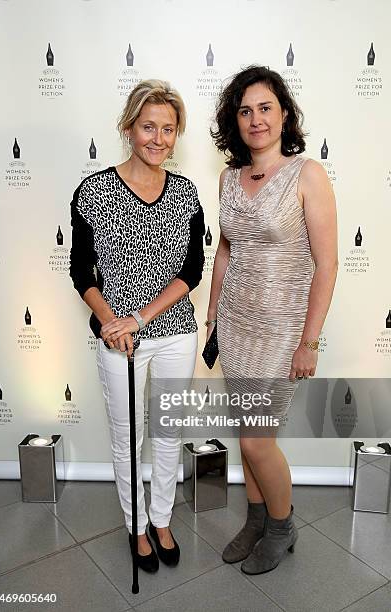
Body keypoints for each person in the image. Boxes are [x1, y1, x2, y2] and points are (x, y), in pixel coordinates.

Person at [69, 80, 205, 573]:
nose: (158, 138)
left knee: (168, 432)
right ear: (129, 128)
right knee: (130, 437)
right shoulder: (93, 191)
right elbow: (81, 270)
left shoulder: (186, 194)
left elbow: (191, 270)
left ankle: (163, 520)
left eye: (168, 129)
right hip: (118, 341)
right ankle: (136, 526)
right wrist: (110, 322)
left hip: (175, 333)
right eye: (149, 126)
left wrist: (141, 316)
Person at [207, 65, 338, 574]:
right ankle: (256, 519)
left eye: (265, 108)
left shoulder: (308, 175)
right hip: (236, 325)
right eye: (245, 111)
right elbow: (225, 252)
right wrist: (214, 315)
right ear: (234, 122)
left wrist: (309, 341)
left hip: (282, 332)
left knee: (258, 440)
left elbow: (327, 264)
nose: (256, 119)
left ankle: (282, 529)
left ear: (284, 114)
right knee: (248, 434)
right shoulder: (228, 178)